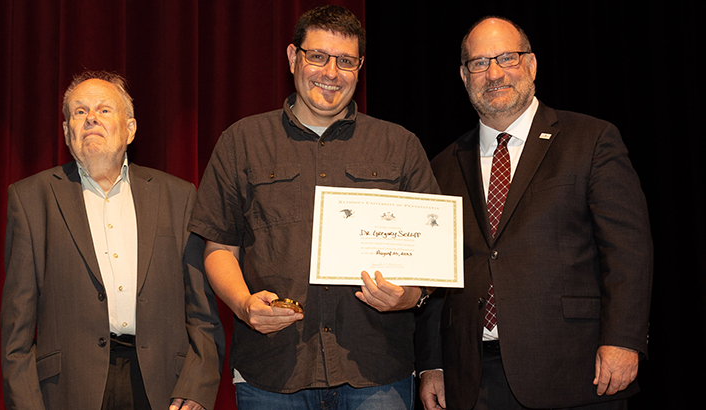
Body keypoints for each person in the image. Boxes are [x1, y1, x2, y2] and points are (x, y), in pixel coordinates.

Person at [187, 5, 440, 409]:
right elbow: (219, 248)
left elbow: (435, 256)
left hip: (377, 372)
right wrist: (243, 304)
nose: (331, 72)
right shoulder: (242, 141)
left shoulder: (401, 145)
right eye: (318, 56)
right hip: (273, 371)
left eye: (345, 61)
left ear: (360, 67)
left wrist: (411, 295)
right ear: (293, 58)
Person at [418, 16, 653, 410]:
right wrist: (430, 364)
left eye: (507, 58)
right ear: (463, 75)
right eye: (479, 63)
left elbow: (627, 250)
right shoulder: (441, 166)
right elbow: (433, 276)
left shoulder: (591, 140)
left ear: (531, 64)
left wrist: (623, 339)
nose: (494, 73)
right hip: (471, 379)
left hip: (576, 371)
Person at [1, 71, 225, 410]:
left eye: (104, 110)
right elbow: (16, 328)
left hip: (162, 386)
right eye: (79, 112)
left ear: (130, 128)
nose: (91, 118)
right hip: (67, 390)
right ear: (66, 132)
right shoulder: (31, 199)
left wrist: (198, 385)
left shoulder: (178, 196)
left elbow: (202, 309)